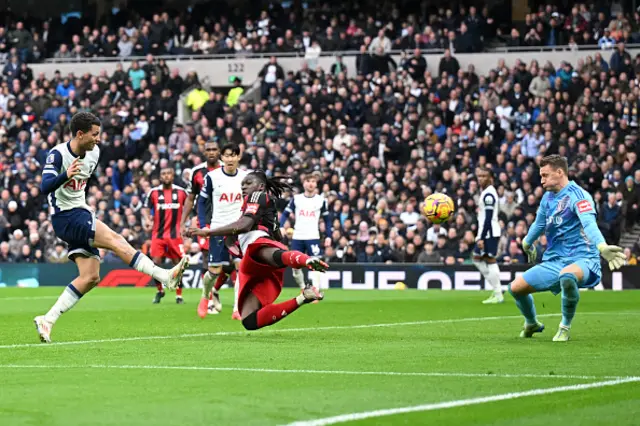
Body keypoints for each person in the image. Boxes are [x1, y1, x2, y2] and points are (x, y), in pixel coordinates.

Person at [34, 112, 188, 343]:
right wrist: (65, 175)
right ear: (80, 134)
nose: (98, 138)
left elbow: (83, 182)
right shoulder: (58, 154)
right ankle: (163, 276)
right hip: (66, 217)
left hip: (80, 212)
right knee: (117, 240)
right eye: (94, 134)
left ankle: (48, 319)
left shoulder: (94, 152)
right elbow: (44, 187)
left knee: (90, 277)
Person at [188, 170, 327, 331]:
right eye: (242, 184)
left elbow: (245, 226)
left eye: (248, 183)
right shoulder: (257, 206)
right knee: (249, 321)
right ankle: (303, 297)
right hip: (253, 261)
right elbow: (276, 237)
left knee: (262, 251)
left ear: (260, 186)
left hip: (257, 245)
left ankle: (307, 260)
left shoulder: (257, 196)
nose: (243, 187)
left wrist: (208, 231)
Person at [510, 155, 626, 342]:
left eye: (545, 175)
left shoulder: (578, 196)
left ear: (560, 172)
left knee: (567, 275)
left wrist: (602, 246)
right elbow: (539, 224)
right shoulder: (547, 198)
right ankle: (531, 323)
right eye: (541, 176)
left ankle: (565, 326)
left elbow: (589, 224)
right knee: (515, 288)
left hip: (583, 259)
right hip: (555, 260)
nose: (542, 180)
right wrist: (526, 242)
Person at [196, 143, 248, 319]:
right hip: (218, 229)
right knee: (214, 271)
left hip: (238, 230)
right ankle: (205, 296)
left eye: (234, 155)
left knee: (241, 268)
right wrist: (204, 225)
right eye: (227, 156)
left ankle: (237, 308)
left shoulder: (246, 177)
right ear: (222, 158)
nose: (230, 159)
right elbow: (201, 202)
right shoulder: (212, 177)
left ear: (239, 157)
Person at [179, 140, 223, 314]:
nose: (211, 152)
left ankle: (216, 291)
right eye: (208, 150)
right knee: (208, 259)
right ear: (204, 152)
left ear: (219, 151)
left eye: (214, 149)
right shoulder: (197, 172)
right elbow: (190, 198)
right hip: (206, 222)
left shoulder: (228, 170)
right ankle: (209, 299)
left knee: (230, 263)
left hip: (227, 221)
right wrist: (183, 222)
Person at [142, 165, 188, 304]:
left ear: (173, 176)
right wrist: (147, 219)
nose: (166, 176)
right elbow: (145, 208)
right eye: (164, 174)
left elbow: (190, 207)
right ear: (160, 177)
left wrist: (186, 223)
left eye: (169, 173)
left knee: (178, 265)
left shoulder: (181, 192)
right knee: (155, 265)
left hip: (175, 236)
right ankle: (159, 291)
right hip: (158, 235)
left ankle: (179, 296)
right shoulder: (153, 193)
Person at [279, 173, 331, 292]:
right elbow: (285, 214)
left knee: (316, 264)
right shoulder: (297, 199)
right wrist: (281, 226)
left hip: (313, 236)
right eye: (308, 181)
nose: (310, 183)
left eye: (313, 181)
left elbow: (327, 220)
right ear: (304, 183)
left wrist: (328, 236)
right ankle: (303, 288)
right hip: (298, 237)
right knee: (295, 267)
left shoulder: (321, 200)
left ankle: (315, 290)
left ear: (316, 184)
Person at [472, 167, 504, 304]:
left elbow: (489, 218)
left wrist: (482, 237)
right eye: (479, 176)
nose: (481, 179)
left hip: (489, 232)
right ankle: (497, 290)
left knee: (489, 259)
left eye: (484, 176)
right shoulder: (486, 193)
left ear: (491, 178)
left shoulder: (489, 194)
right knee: (477, 258)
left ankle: (498, 293)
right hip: (487, 231)